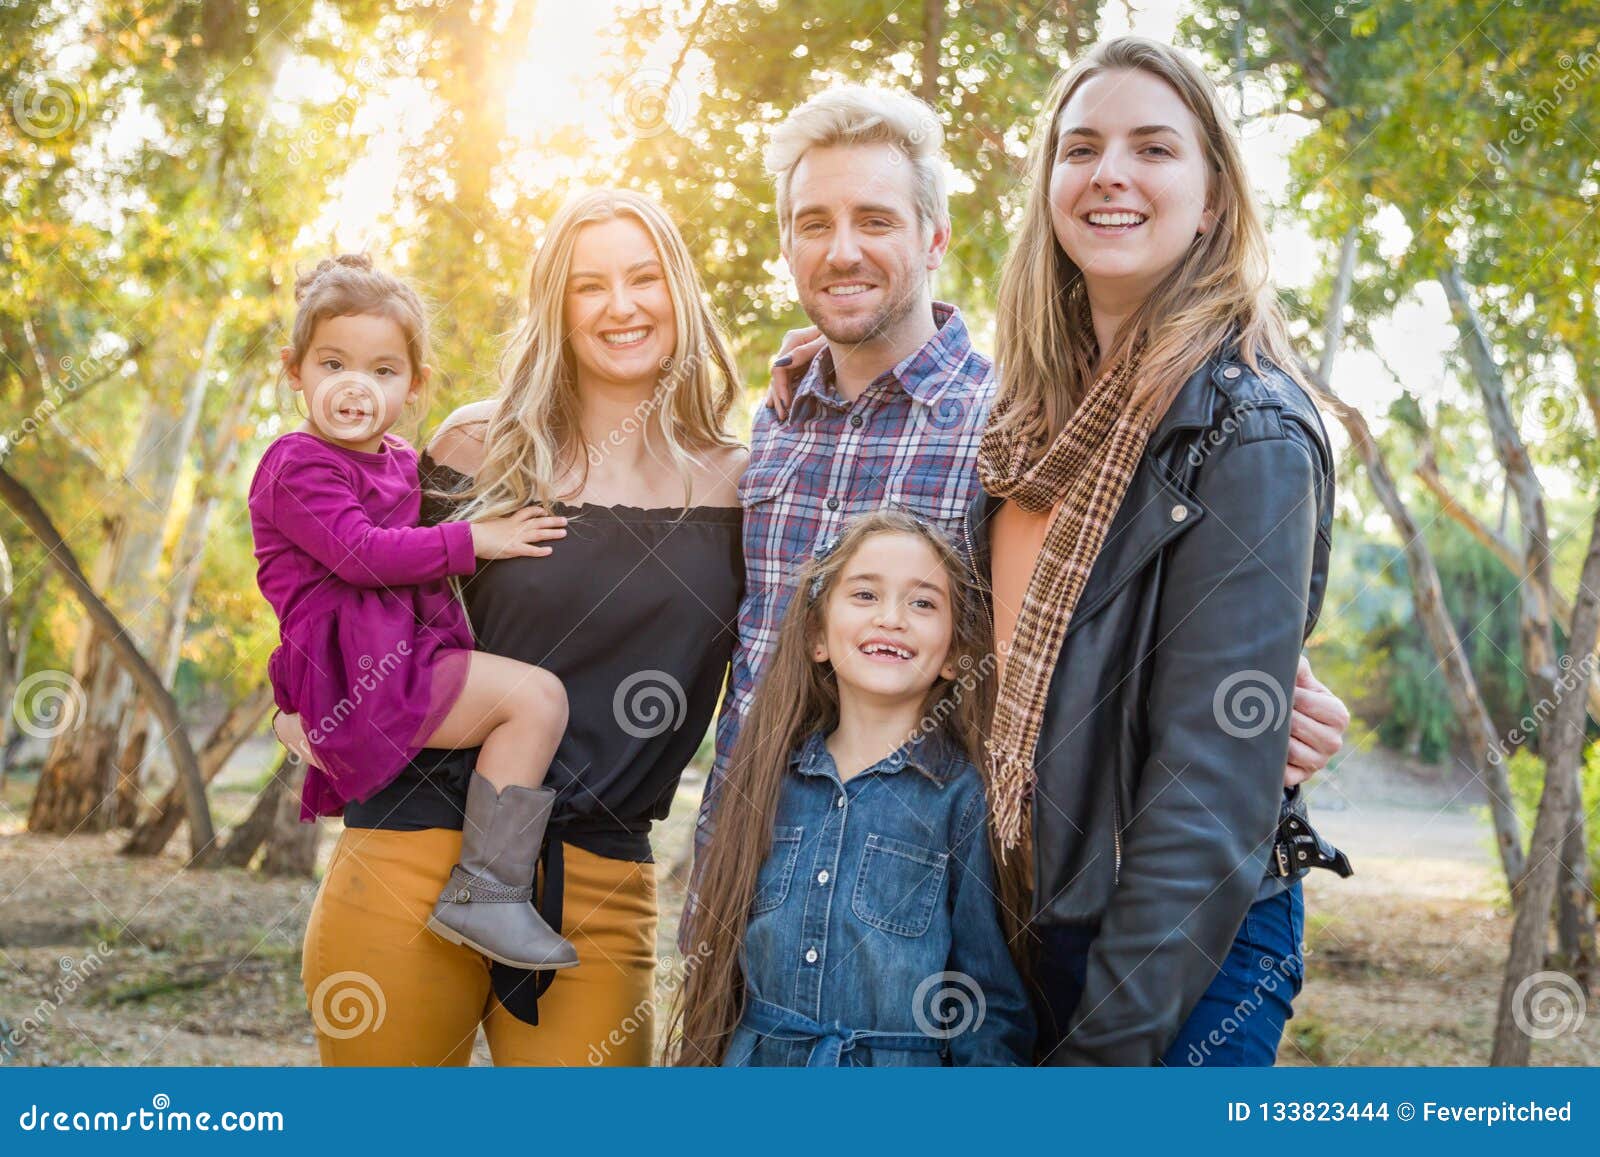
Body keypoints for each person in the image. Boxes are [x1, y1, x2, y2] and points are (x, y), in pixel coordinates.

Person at [284, 191, 747, 1065]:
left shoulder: (743, 483)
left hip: (600, 877)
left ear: (679, 292)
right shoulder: (476, 448)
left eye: (644, 278)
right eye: (589, 286)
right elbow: (336, 572)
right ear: (555, 307)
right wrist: (294, 704)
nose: (621, 306)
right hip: (416, 845)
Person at [978, 36, 1348, 1066]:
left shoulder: (1249, 431)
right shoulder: (1019, 426)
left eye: (1153, 149)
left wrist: (1108, 1049)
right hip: (1018, 928)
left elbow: (1207, 790)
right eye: (1080, 146)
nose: (1109, 174)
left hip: (1182, 953)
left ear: (1214, 197)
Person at [249, 253, 576, 972]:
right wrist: (478, 539)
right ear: (294, 370)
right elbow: (360, 552)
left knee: (531, 699)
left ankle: (483, 883)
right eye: (333, 363)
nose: (355, 386)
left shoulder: (399, 459)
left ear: (416, 384)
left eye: (383, 370)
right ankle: (489, 891)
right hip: (354, 666)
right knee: (536, 700)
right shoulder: (296, 461)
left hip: (396, 653)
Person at [671, 510, 1032, 1066]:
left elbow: (989, 1003)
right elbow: (724, 977)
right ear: (817, 635)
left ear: (959, 654)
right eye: (865, 595)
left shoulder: (962, 799)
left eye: (923, 603)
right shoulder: (768, 780)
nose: (892, 618)